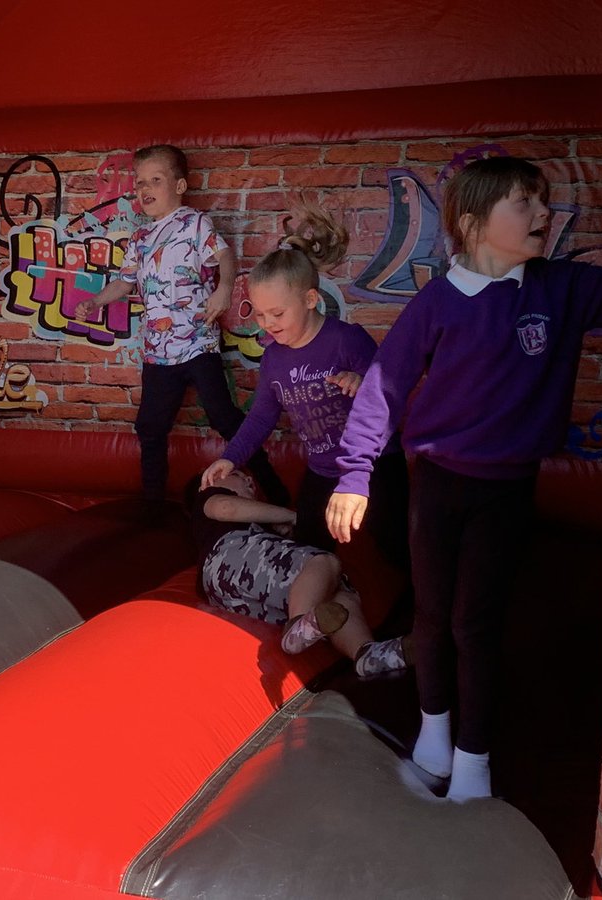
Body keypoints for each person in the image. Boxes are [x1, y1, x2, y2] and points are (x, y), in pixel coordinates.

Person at [326, 155, 602, 801]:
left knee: (474, 624)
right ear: (475, 223)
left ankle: (474, 758)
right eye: (525, 204)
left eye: (544, 201)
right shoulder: (438, 302)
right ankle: (433, 728)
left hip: (507, 489)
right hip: (438, 483)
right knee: (431, 616)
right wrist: (354, 475)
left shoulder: (561, 289)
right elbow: (385, 386)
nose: (545, 214)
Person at [74, 144, 287, 508]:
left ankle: (278, 493)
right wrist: (95, 301)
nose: (146, 189)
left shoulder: (193, 223)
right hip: (158, 353)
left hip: (198, 344)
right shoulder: (139, 240)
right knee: (150, 429)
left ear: (180, 185)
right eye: (140, 182)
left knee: (225, 418)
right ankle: (153, 508)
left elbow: (223, 255)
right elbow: (125, 283)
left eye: (156, 180)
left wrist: (222, 291)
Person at [199, 204, 409, 570]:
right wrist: (230, 457)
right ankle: (316, 615)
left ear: (311, 300)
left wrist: (360, 383)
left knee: (395, 547)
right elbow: (262, 416)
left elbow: (387, 396)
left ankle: (416, 612)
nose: (267, 324)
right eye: (260, 314)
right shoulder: (274, 358)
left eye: (277, 314)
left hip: (376, 466)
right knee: (308, 550)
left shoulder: (347, 340)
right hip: (322, 469)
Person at [185, 471, 409, 679]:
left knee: (334, 590)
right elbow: (227, 508)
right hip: (229, 554)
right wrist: (292, 516)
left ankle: (366, 653)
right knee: (325, 562)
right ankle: (296, 627)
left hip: (222, 591)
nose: (249, 481)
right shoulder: (209, 496)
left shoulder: (252, 529)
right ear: (210, 480)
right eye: (237, 475)